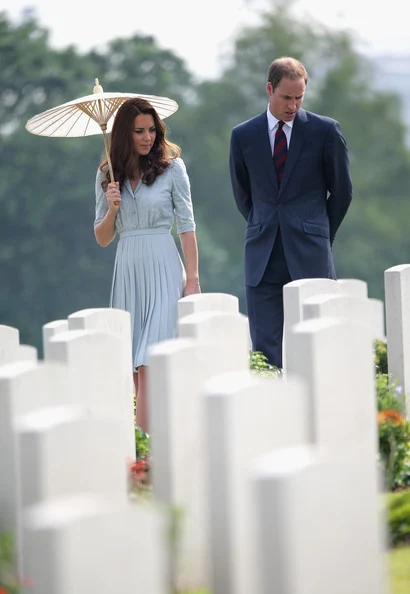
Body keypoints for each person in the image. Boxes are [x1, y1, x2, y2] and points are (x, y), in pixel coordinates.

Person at [229, 56, 353, 369]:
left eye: (299, 98)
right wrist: (265, 225)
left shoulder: (325, 131)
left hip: (310, 251)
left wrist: (321, 232)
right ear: (269, 89)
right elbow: (243, 194)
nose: (293, 106)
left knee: (320, 349)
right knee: (265, 351)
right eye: (286, 97)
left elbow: (342, 191)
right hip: (263, 255)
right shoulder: (243, 136)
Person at [94, 97, 200, 433]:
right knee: (136, 369)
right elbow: (102, 237)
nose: (148, 137)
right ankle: (144, 447)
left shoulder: (173, 169)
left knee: (151, 360)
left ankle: (149, 449)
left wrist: (193, 278)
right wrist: (112, 207)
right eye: (139, 131)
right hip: (128, 270)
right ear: (125, 134)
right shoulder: (107, 175)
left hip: (164, 266)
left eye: (152, 129)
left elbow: (187, 225)